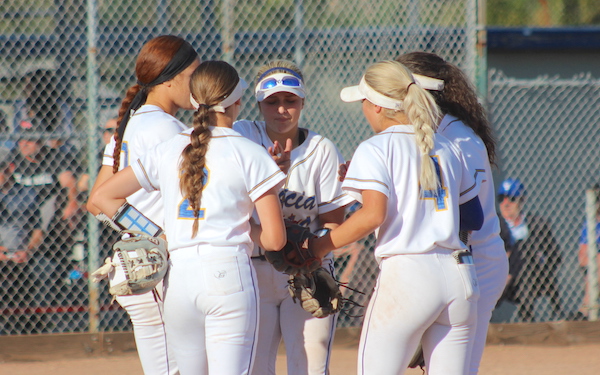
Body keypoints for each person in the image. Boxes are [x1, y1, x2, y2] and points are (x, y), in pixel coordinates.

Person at [89, 60, 287, 375]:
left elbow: (101, 197)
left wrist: (156, 234)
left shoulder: (169, 148)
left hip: (179, 280)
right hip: (229, 275)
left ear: (194, 101)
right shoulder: (250, 152)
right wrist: (242, 221)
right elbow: (275, 240)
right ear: (236, 102)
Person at [312, 60, 483, 375]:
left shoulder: (375, 147)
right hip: (460, 278)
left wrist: (317, 248)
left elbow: (372, 215)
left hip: (408, 278)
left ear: (377, 106)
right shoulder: (446, 145)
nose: (362, 108)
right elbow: (473, 217)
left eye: (364, 101)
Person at [86, 35, 200, 375]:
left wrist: (138, 234)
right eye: (193, 74)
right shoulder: (167, 129)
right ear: (169, 78)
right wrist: (155, 235)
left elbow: (97, 203)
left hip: (140, 264)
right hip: (157, 272)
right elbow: (99, 201)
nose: (198, 83)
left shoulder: (132, 124)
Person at [233, 60, 355, 375]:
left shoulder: (321, 149)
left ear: (303, 103)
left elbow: (332, 221)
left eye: (290, 101)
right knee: (256, 367)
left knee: (311, 364)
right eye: (272, 101)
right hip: (253, 270)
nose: (281, 109)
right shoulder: (242, 136)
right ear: (258, 103)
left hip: (306, 271)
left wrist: (313, 253)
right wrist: (272, 171)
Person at [395, 51, 510, 375]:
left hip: (477, 261)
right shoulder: (435, 132)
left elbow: (469, 218)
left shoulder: (460, 139)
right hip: (453, 261)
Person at [497, 178, 562, 322]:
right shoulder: (494, 225)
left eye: (512, 198)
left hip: (533, 276)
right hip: (500, 273)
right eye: (501, 198)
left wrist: (542, 271)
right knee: (520, 249)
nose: (506, 203)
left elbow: (555, 255)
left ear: (521, 200)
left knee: (525, 250)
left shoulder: (537, 224)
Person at [576, 186, 600, 320]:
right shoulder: (591, 226)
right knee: (595, 272)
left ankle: (585, 310)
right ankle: (586, 312)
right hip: (595, 272)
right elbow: (583, 259)